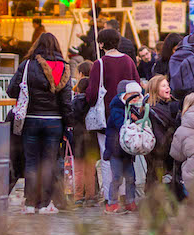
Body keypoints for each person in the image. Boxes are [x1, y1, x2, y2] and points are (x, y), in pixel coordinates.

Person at [8, 32, 73, 214]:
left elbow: (11, 90)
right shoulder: (64, 67)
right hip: (55, 123)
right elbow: (66, 101)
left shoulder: (27, 65)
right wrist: (69, 125)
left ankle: (30, 203)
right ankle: (45, 204)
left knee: (31, 162)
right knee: (48, 163)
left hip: (31, 120)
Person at [84, 28, 140, 205]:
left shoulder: (99, 64)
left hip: (106, 118)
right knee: (127, 155)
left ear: (101, 44)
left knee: (108, 157)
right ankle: (126, 195)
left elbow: (92, 94)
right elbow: (137, 86)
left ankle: (111, 198)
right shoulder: (129, 61)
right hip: (128, 116)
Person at [103, 80, 144, 213]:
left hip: (127, 151)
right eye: (134, 96)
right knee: (117, 178)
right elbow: (121, 124)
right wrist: (132, 120)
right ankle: (112, 202)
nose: (136, 99)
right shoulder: (116, 108)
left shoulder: (133, 108)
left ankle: (130, 201)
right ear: (126, 95)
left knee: (131, 177)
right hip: (115, 149)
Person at [69, 62, 100, 207]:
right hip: (91, 138)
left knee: (79, 170)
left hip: (78, 138)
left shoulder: (74, 103)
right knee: (90, 170)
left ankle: (78, 196)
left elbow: (72, 118)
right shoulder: (93, 103)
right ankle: (91, 196)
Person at [144, 75, 181, 192]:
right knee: (159, 176)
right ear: (155, 89)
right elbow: (170, 124)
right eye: (164, 86)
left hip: (160, 149)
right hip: (161, 149)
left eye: (168, 85)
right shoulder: (155, 108)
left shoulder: (166, 105)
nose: (168, 88)